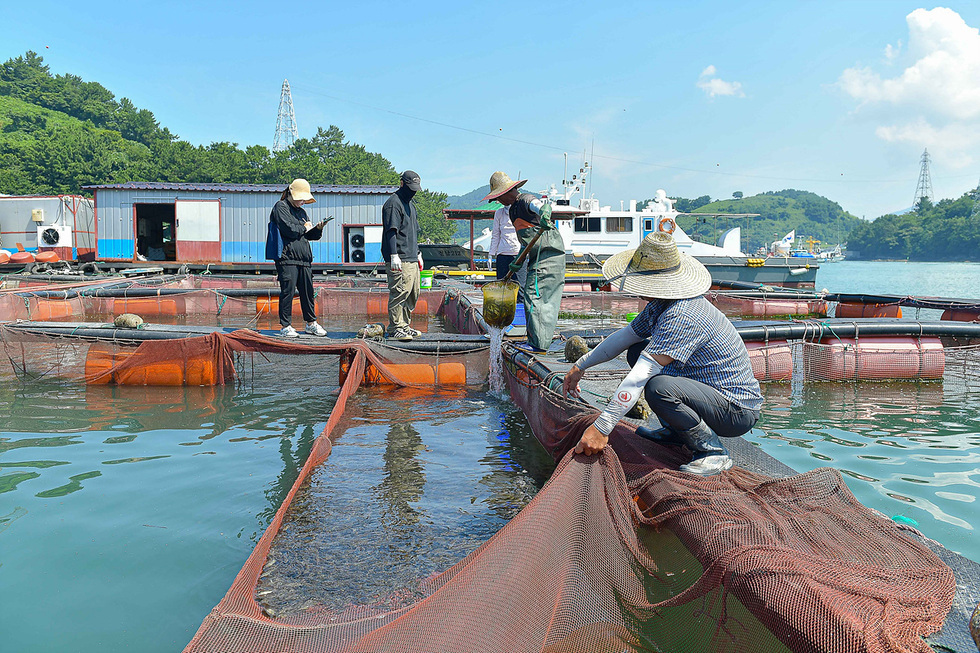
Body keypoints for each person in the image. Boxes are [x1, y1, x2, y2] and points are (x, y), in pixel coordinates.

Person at [561, 231, 763, 475]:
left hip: (735, 409)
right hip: (705, 390)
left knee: (659, 389)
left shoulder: (683, 313)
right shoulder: (661, 304)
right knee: (636, 350)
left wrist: (602, 427)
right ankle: (676, 431)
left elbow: (641, 375)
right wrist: (581, 365)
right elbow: (625, 337)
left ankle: (712, 451)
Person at [482, 171, 565, 353]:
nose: (499, 201)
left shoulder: (526, 200)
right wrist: (518, 262)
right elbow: (526, 242)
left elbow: (541, 207)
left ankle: (538, 345)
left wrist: (544, 214)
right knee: (532, 295)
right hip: (535, 256)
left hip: (549, 255)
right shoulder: (512, 211)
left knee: (534, 295)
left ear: (506, 192)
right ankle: (534, 339)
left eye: (498, 197)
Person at [267, 178, 328, 338]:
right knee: (287, 291)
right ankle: (285, 326)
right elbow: (289, 229)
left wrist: (317, 229)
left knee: (308, 291)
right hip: (287, 258)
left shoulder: (301, 212)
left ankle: (311, 323)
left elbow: (309, 235)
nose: (302, 201)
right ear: (292, 194)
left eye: (304, 198)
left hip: (304, 258)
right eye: (301, 198)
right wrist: (304, 227)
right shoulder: (281, 207)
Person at [382, 170, 424, 342]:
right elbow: (391, 232)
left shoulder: (411, 205)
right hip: (399, 257)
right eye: (410, 187)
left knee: (413, 293)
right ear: (401, 184)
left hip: (412, 257)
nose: (413, 191)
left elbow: (413, 232)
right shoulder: (393, 203)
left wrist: (419, 253)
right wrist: (393, 255)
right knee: (399, 292)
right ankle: (395, 327)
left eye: (415, 188)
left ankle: (404, 325)